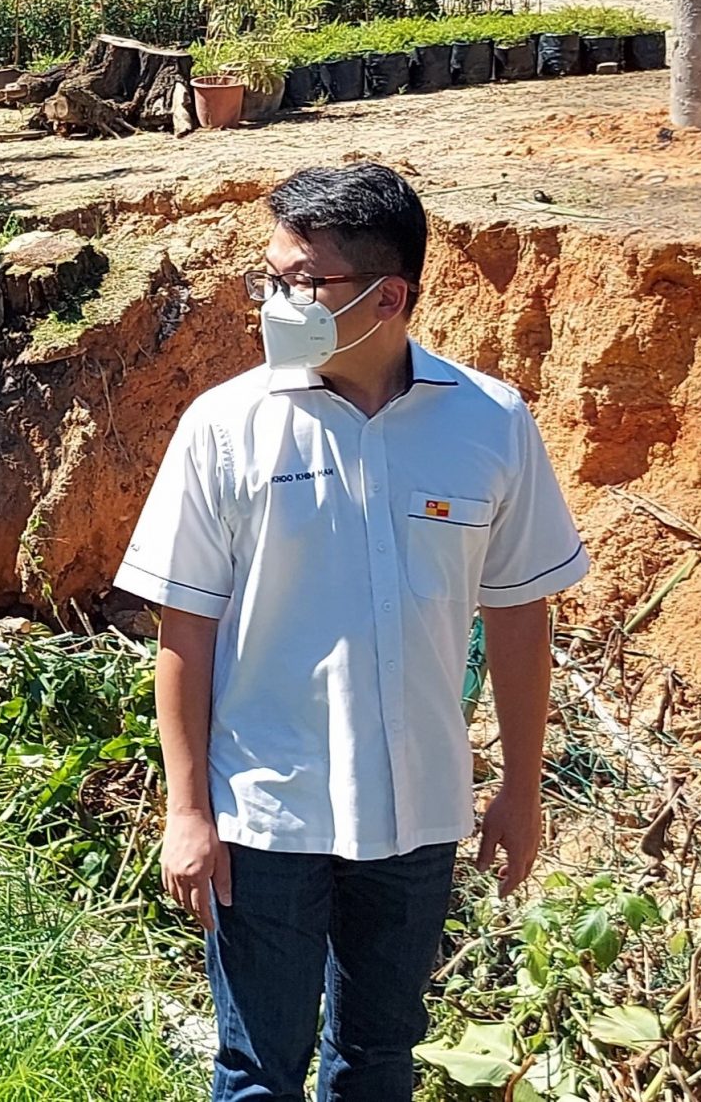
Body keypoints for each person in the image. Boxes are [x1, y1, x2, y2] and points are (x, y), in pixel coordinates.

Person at [116, 162, 588, 1101]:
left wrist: (522, 789)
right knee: (259, 1069)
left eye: (302, 283)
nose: (275, 301)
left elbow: (520, 614)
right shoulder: (229, 426)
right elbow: (185, 625)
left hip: (417, 815)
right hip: (266, 811)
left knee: (379, 1061)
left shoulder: (489, 424)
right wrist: (188, 811)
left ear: (389, 296)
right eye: (271, 278)